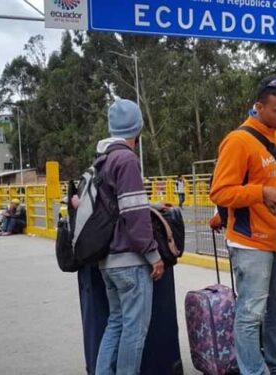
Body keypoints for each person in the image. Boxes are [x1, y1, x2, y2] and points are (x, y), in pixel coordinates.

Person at [210, 75, 276, 375]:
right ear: (259, 106)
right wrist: (262, 193)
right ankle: (254, 371)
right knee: (250, 314)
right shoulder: (238, 141)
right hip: (250, 243)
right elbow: (221, 192)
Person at [94, 98, 165, 375]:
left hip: (108, 260)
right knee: (135, 331)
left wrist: (153, 206)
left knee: (116, 322)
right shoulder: (126, 159)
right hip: (131, 261)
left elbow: (118, 204)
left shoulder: (102, 160)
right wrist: (152, 254)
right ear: (138, 128)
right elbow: (134, 213)